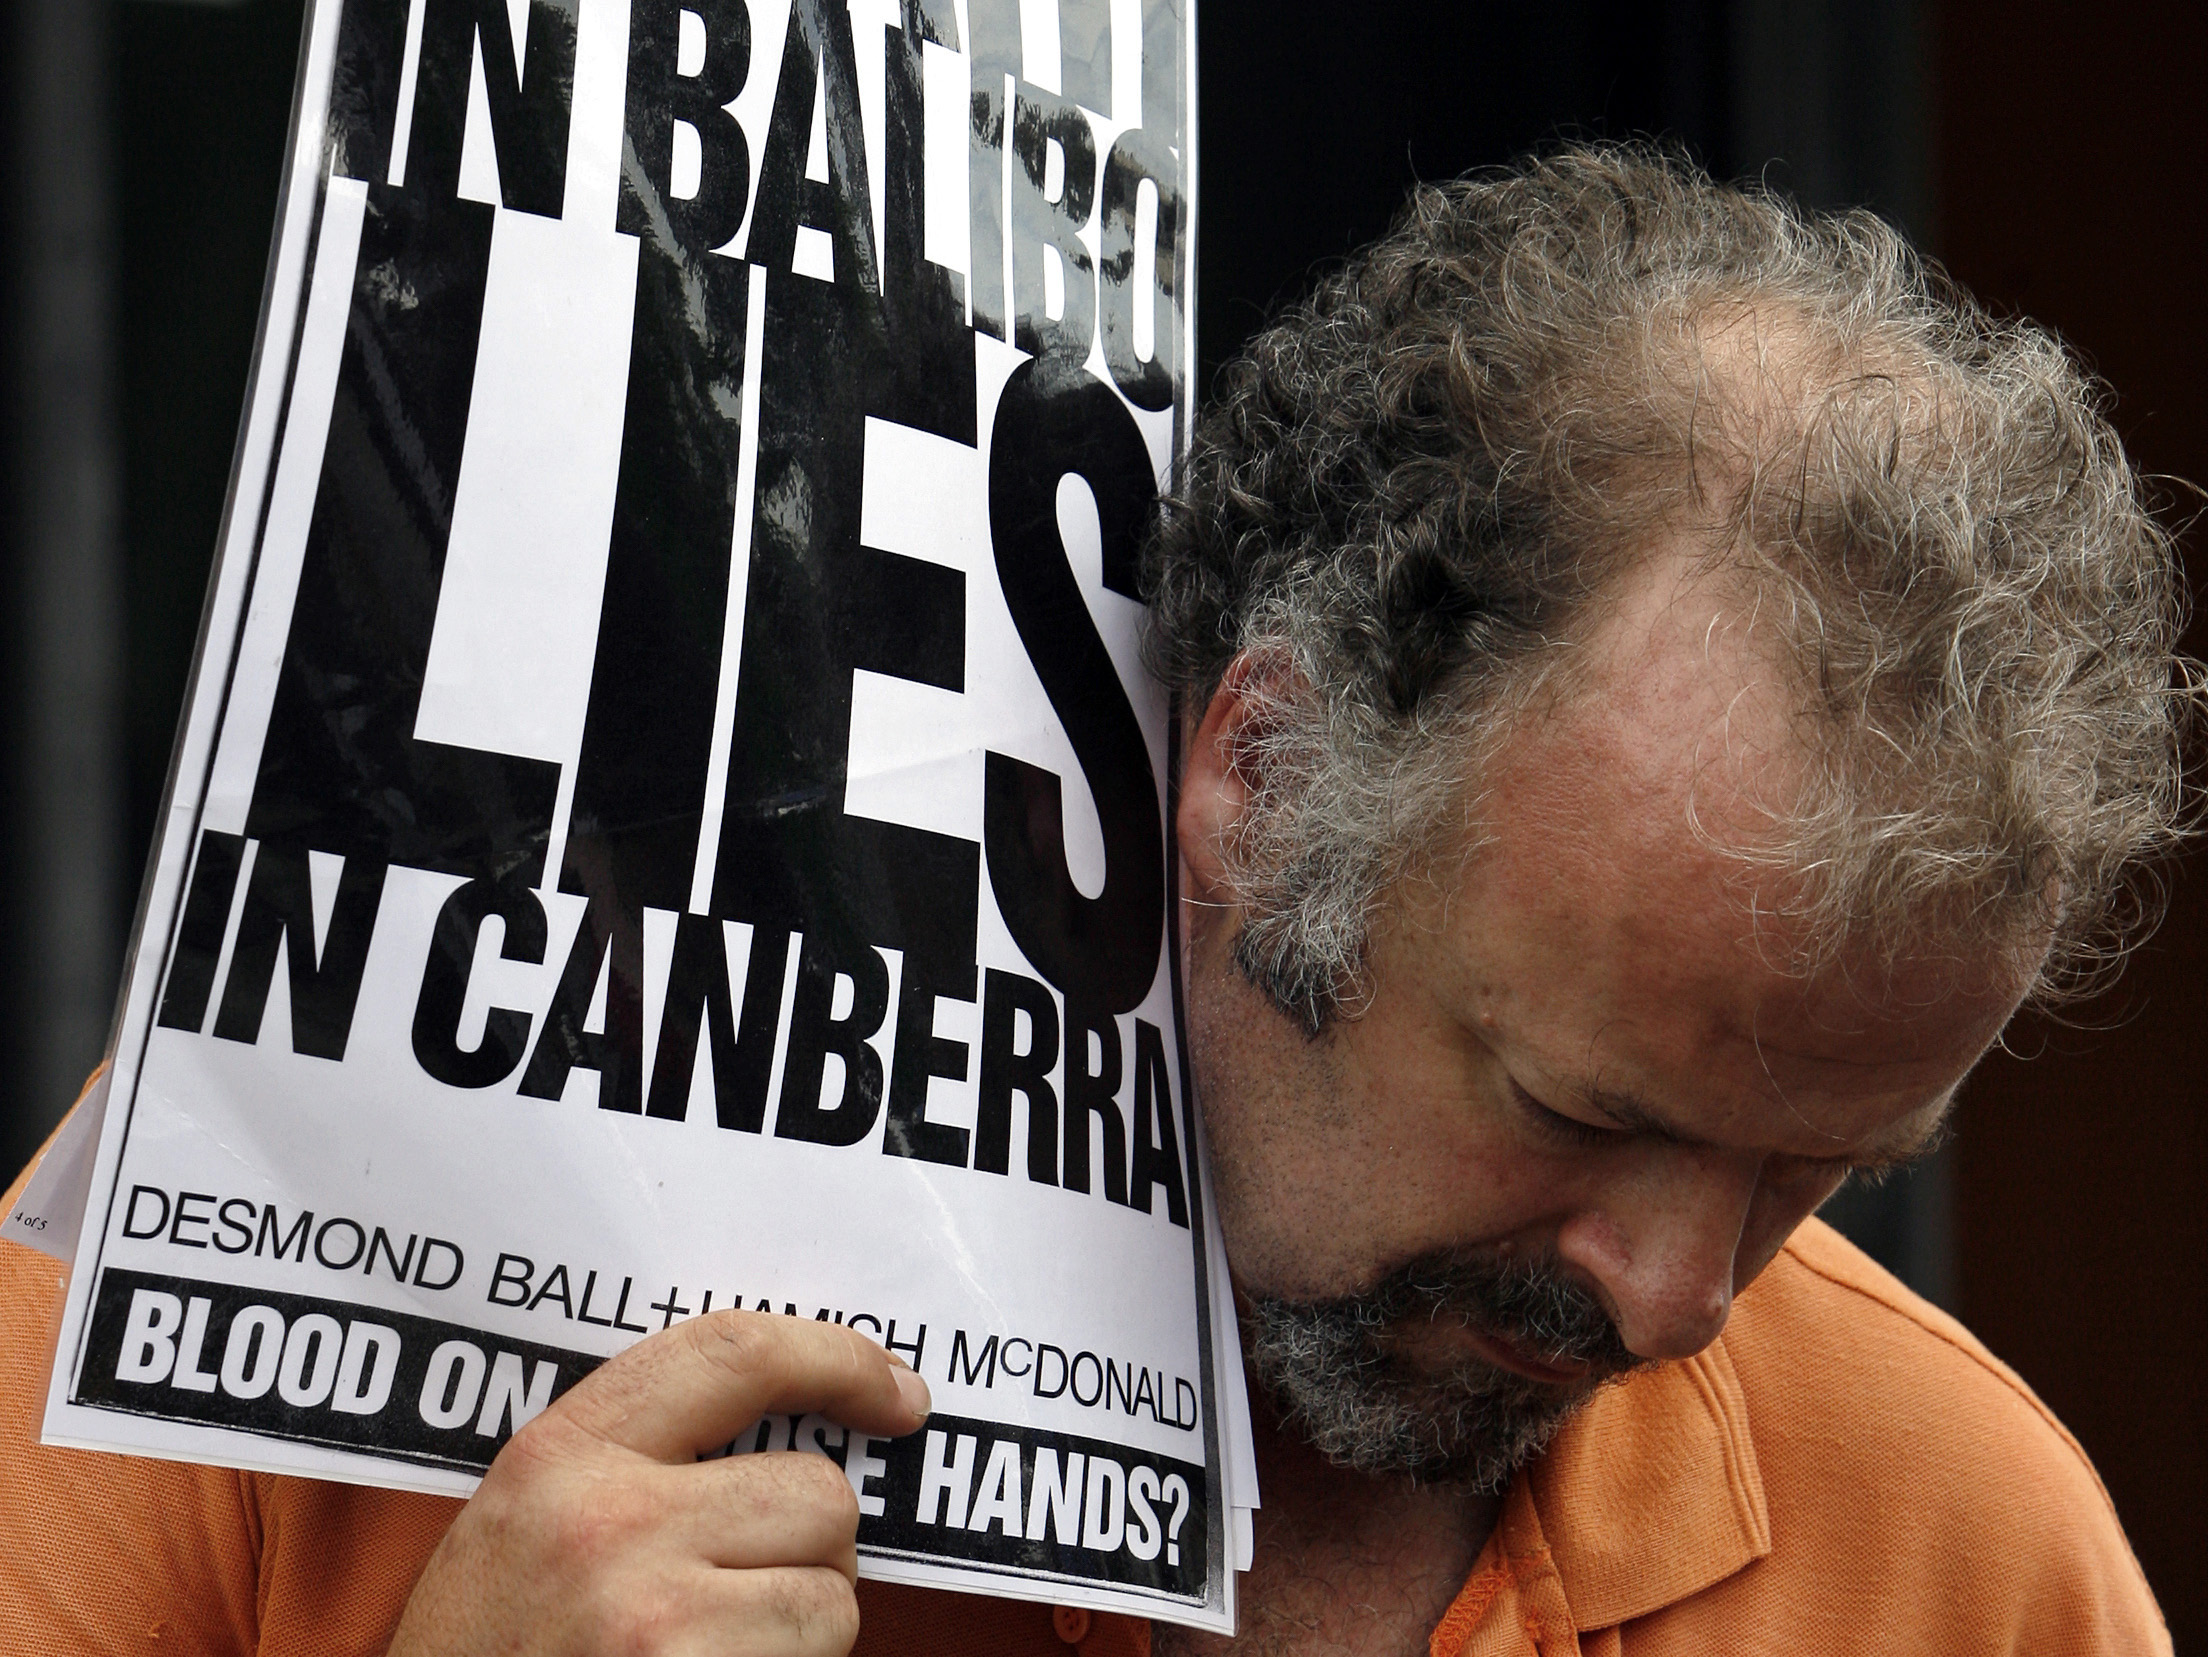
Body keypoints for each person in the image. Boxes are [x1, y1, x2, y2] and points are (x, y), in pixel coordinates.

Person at [0, 146, 2184, 1655]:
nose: (1685, 1295)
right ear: (1266, 772)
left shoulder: (1960, 1546)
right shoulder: (315, 1188)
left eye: (1820, 1170)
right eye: (1582, 1105)